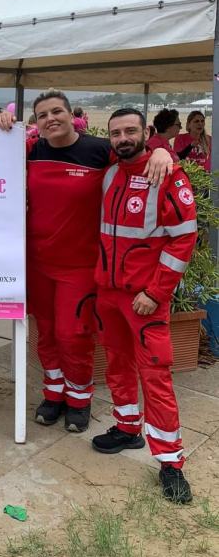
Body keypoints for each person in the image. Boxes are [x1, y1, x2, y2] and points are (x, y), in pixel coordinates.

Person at [0, 91, 172, 434]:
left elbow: (134, 158)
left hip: (80, 265)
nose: (50, 119)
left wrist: (161, 149)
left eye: (57, 111)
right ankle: (54, 393)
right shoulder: (31, 150)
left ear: (71, 114)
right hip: (36, 260)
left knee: (73, 334)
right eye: (42, 114)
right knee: (45, 333)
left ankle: (79, 398)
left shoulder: (98, 150)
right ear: (37, 122)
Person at [92, 108, 196, 503]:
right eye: (116, 132)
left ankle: (171, 463)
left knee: (155, 375)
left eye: (130, 131)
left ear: (146, 132)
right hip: (109, 293)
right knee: (117, 364)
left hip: (145, 299)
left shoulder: (166, 174)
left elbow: (183, 240)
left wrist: (155, 292)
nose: (122, 138)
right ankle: (127, 427)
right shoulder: (110, 172)